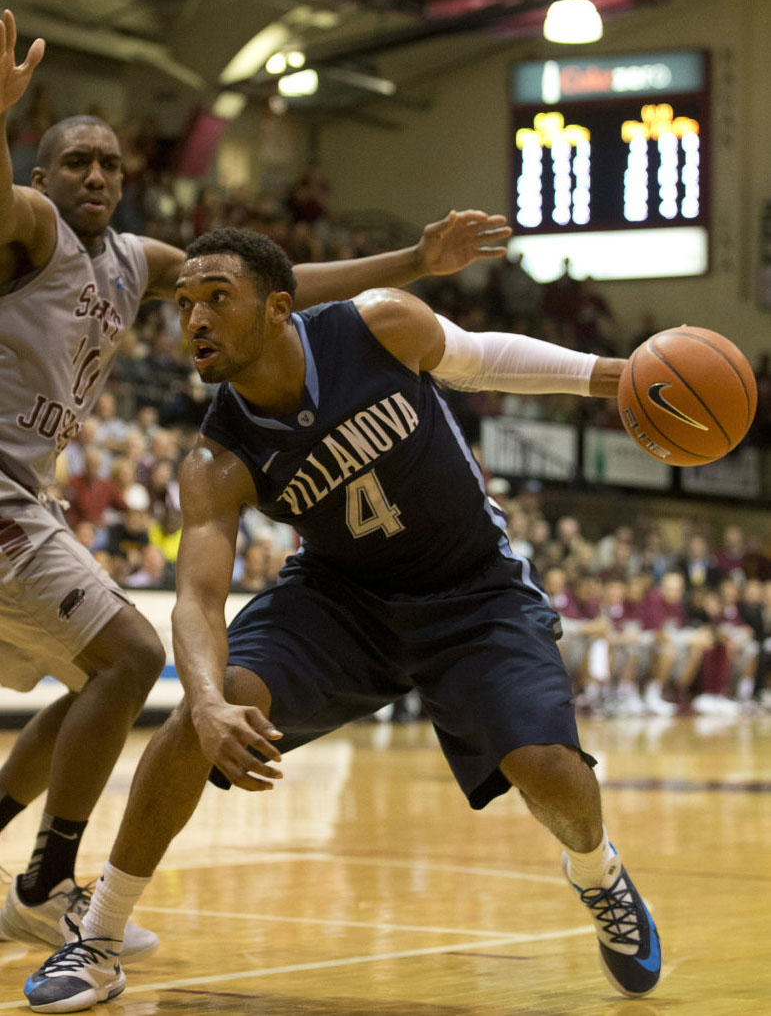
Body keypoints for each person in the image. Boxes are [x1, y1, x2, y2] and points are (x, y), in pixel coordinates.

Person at [25, 228, 661, 1012]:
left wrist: (618, 376)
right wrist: (213, 701)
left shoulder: (376, 326)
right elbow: (196, 598)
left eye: (217, 298)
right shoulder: (216, 458)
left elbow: (481, 358)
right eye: (183, 303)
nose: (192, 319)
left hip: (472, 590)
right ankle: (100, 936)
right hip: (341, 603)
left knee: (549, 769)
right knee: (200, 711)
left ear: (279, 306)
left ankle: (597, 873)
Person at [0, 7, 511, 959]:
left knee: (95, 677)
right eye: (77, 162)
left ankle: (37, 878)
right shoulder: (28, 229)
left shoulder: (139, 262)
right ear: (40, 176)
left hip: (23, 498)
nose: (99, 176)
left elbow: (282, 285)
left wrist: (413, 261)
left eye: (111, 163)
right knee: (127, 658)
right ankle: (42, 885)